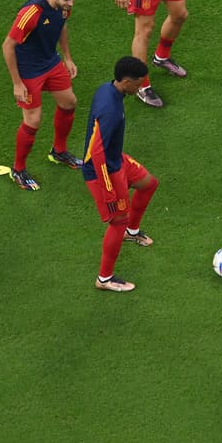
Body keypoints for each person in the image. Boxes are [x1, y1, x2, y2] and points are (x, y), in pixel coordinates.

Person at [82, 56, 160, 293]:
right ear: (126, 81)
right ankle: (104, 279)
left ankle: (132, 232)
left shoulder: (108, 89)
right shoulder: (110, 110)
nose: (140, 87)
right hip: (102, 171)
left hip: (116, 159)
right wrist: (109, 192)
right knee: (117, 220)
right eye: (138, 83)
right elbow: (97, 154)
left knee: (149, 184)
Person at [1, 0, 83, 191]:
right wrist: (17, 83)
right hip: (29, 70)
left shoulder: (64, 7)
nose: (71, 3)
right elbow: (7, 46)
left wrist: (67, 58)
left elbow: (61, 27)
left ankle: (58, 152)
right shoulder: (31, 12)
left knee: (69, 102)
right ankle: (18, 170)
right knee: (33, 120)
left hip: (51, 62)